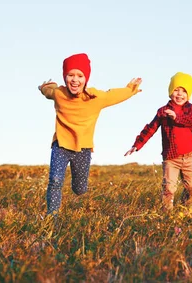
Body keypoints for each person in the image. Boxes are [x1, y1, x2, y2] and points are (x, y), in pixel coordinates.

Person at [38, 53, 142, 215]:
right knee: (55, 181)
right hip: (61, 145)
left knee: (80, 189)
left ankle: (77, 186)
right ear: (65, 77)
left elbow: (113, 95)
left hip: (83, 148)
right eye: (70, 75)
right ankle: (52, 217)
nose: (75, 80)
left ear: (86, 79)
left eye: (80, 76)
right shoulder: (59, 94)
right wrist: (44, 87)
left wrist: (131, 89)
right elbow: (48, 91)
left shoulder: (95, 98)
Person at [124, 72, 192, 211]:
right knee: (169, 188)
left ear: (188, 95)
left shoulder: (190, 109)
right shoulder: (163, 111)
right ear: (170, 92)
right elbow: (150, 128)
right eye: (176, 89)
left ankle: (187, 209)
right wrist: (137, 144)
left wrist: (176, 117)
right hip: (170, 158)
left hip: (188, 157)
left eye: (184, 91)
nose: (180, 94)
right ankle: (167, 213)